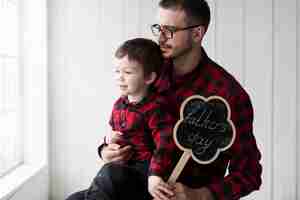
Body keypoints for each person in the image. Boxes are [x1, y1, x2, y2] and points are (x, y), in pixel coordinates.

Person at [100, 0, 263, 200]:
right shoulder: (149, 70)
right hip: (131, 183)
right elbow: (126, 116)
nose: (160, 37)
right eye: (158, 28)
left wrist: (199, 195)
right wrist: (107, 150)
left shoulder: (228, 94)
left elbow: (249, 174)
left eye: (169, 30)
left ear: (197, 34)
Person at [66, 38, 177, 200]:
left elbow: (165, 144)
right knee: (74, 198)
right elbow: (112, 132)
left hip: (144, 176)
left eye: (128, 72)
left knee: (110, 173)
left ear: (149, 78)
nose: (120, 77)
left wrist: (155, 175)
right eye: (117, 71)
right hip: (122, 172)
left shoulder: (156, 107)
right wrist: (108, 143)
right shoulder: (119, 104)